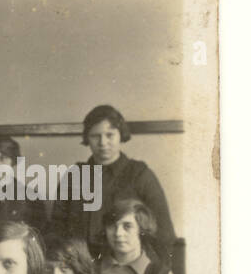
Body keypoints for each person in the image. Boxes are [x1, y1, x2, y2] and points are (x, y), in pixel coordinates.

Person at [53, 105, 176, 262]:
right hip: (80, 266)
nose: (103, 142)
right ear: (87, 138)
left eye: (110, 135)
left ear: (121, 136)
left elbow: (164, 232)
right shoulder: (74, 175)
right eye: (95, 136)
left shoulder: (140, 174)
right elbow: (56, 227)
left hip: (126, 266)